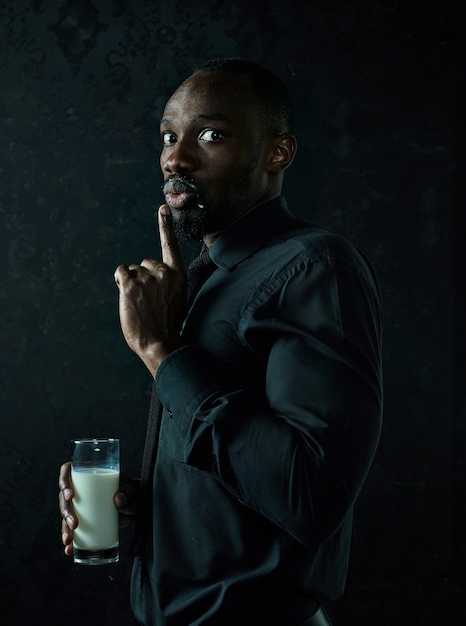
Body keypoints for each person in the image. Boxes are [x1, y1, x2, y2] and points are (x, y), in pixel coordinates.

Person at [59, 58, 383, 625]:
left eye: (211, 135)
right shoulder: (209, 276)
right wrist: (153, 500)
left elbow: (310, 496)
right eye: (168, 135)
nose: (175, 158)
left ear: (277, 153)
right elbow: (238, 467)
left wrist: (162, 352)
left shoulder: (315, 267)